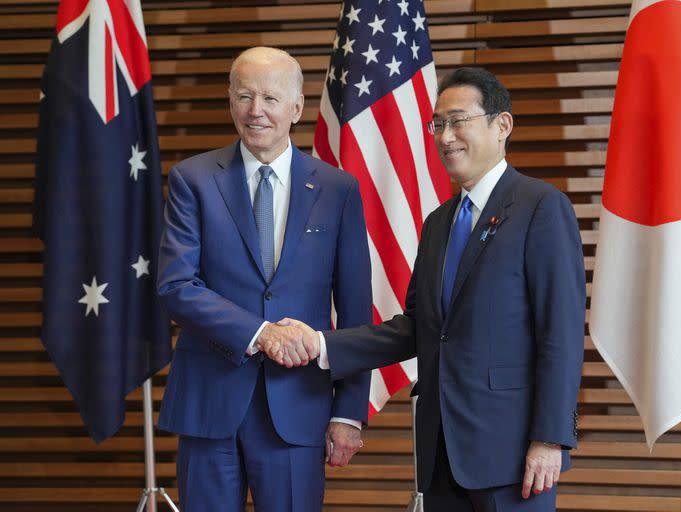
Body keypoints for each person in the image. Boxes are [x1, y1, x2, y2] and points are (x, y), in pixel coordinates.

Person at [264, 67, 585, 512]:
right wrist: (320, 344)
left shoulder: (541, 208)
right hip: (439, 454)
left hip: (513, 454)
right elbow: (417, 329)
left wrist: (550, 438)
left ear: (502, 125)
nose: (445, 136)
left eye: (459, 121)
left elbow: (562, 334)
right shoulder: (439, 223)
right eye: (438, 124)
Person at [156, 46, 373, 512]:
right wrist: (260, 333)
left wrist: (349, 411)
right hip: (209, 406)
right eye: (244, 96)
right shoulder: (192, 179)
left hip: (299, 408)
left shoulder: (338, 189)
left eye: (271, 99)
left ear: (296, 108)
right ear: (230, 102)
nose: (256, 111)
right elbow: (176, 286)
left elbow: (356, 312)